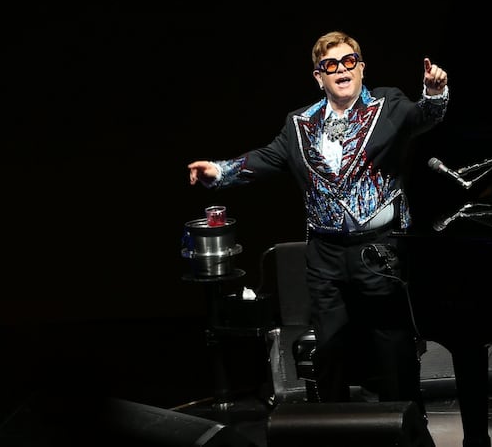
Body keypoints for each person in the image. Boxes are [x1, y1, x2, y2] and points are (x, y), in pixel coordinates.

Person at [187, 30, 449, 427]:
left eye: (348, 62)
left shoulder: (388, 105)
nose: (341, 70)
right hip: (325, 254)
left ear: (360, 67)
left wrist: (433, 94)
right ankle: (334, 430)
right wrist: (218, 172)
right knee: (331, 349)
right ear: (319, 76)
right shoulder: (299, 124)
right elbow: (265, 158)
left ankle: (407, 428)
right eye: (331, 65)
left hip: (379, 251)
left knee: (392, 346)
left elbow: (423, 117)